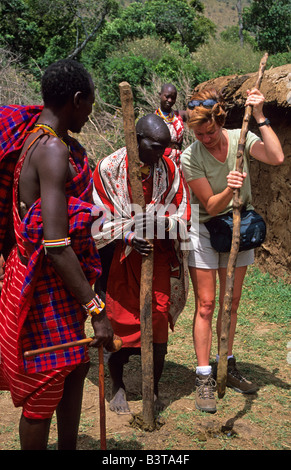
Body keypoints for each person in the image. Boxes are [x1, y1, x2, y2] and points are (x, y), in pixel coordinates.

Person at [0, 59, 114, 449]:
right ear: (76, 100)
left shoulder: (36, 137)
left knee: (75, 365)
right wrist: (96, 308)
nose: (91, 111)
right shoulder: (52, 150)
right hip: (44, 285)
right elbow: (56, 244)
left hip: (47, 281)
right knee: (44, 388)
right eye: (90, 103)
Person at [181, 87, 284, 413]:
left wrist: (260, 117)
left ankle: (226, 362)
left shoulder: (240, 137)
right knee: (208, 304)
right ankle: (204, 376)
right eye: (199, 134)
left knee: (232, 302)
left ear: (219, 121)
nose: (207, 139)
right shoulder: (190, 157)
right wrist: (231, 186)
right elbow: (210, 203)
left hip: (240, 226)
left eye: (210, 131)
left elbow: (277, 157)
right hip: (205, 228)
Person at [92, 114, 191, 414]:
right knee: (119, 321)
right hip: (118, 259)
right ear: (136, 139)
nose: (161, 154)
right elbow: (98, 218)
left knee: (158, 320)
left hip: (157, 256)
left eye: (165, 147)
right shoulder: (108, 169)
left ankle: (154, 389)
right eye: (155, 147)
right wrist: (129, 232)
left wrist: (156, 223)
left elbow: (182, 213)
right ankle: (118, 386)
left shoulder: (170, 170)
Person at [155, 83, 187, 171]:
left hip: (178, 161)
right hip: (161, 161)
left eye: (173, 98)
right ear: (160, 95)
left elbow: (200, 115)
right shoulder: (153, 118)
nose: (170, 100)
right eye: (167, 96)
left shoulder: (180, 115)